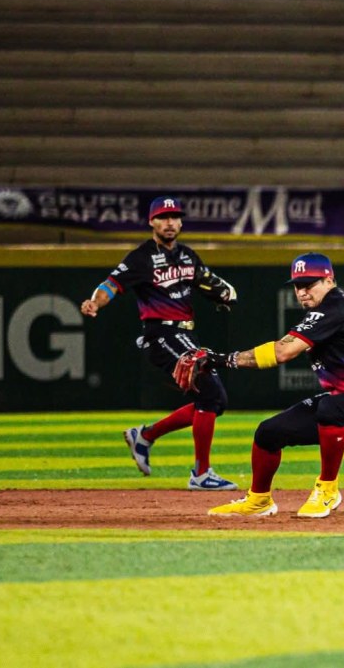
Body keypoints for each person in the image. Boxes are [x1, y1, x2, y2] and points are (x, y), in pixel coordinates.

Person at [175, 252, 344, 518]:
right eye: (298, 285)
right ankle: (258, 500)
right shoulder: (326, 311)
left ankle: (327, 489)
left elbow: (282, 353)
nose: (302, 292)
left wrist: (217, 359)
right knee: (268, 432)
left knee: (331, 408)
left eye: (310, 284)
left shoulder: (335, 308)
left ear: (329, 280)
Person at [80, 196, 239, 490]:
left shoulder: (189, 256)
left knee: (214, 400)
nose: (169, 222)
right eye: (163, 217)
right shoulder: (140, 257)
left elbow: (206, 282)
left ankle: (146, 436)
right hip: (162, 334)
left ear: (180, 222)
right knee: (211, 390)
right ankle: (201, 474)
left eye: (174, 216)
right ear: (151, 222)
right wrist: (95, 303)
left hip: (186, 334)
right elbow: (111, 284)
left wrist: (223, 294)